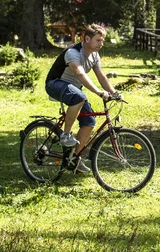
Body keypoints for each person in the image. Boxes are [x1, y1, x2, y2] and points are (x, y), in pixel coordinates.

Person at [45, 24, 118, 173]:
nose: (101, 44)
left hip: (73, 89)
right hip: (55, 84)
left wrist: (114, 93)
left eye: (102, 40)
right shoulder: (73, 52)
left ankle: (73, 159)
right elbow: (80, 73)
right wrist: (98, 92)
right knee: (79, 96)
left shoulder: (95, 56)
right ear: (87, 38)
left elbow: (101, 77)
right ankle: (65, 135)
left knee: (89, 121)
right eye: (98, 40)